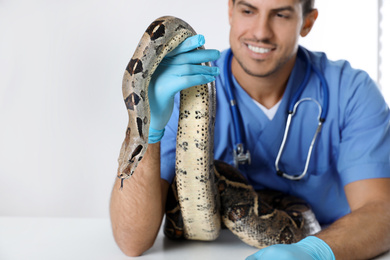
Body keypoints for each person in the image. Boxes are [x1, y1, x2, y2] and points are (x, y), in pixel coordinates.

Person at [110, 0, 390, 259]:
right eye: (248, 10)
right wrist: (150, 132)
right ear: (230, 9)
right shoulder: (184, 87)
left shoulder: (351, 91)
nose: (260, 32)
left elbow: (381, 212)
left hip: (339, 246)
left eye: (280, 14)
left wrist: (315, 252)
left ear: (307, 22)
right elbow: (131, 241)